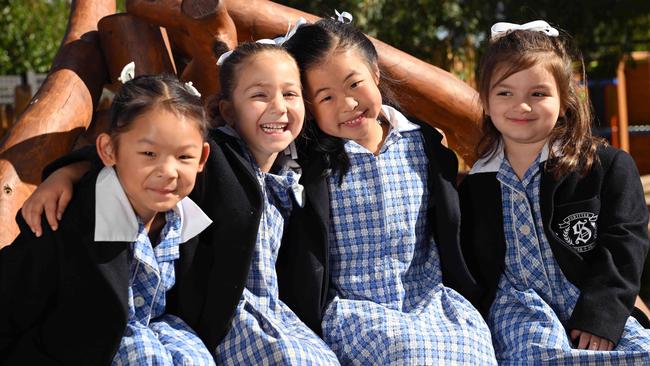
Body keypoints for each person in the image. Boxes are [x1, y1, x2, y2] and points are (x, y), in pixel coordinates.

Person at [17, 43, 340, 365]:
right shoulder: (218, 161)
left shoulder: (299, 168)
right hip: (209, 321)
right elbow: (140, 147)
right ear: (228, 110)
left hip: (204, 324)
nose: (279, 107)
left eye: (291, 94)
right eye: (259, 95)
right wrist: (67, 171)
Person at [282, 16, 497, 365]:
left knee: (475, 348)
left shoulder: (423, 143)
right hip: (357, 312)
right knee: (407, 355)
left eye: (355, 84)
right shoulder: (309, 165)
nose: (348, 103)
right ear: (308, 105)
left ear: (376, 74)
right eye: (326, 97)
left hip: (429, 302)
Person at [459, 20, 650, 364]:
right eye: (505, 92)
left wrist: (601, 316)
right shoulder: (475, 183)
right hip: (518, 309)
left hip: (592, 299)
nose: (522, 106)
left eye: (538, 93)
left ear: (564, 100)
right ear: (485, 101)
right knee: (543, 357)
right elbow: (468, 263)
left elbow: (625, 243)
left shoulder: (606, 166)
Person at [0, 74, 215, 365]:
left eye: (184, 157)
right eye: (149, 154)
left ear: (202, 158)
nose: (168, 171)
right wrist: (66, 172)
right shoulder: (62, 219)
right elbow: (10, 302)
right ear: (108, 151)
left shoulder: (189, 217)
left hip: (167, 344)